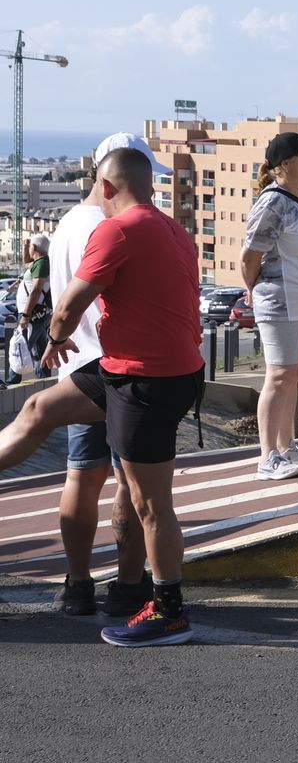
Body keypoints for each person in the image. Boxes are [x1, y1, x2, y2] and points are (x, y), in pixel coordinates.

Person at [0, 147, 205, 646]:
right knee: (38, 409)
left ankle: (169, 610)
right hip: (130, 369)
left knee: (150, 501)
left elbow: (69, 304)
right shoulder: (176, 232)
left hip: (147, 381)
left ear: (106, 187)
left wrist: (54, 339)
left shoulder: (117, 230)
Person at [46, 134, 157, 618]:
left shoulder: (67, 222)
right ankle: (129, 585)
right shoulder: (114, 226)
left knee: (80, 476)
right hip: (118, 368)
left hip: (73, 368)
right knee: (129, 481)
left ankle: (77, 584)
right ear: (115, 179)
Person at [242, 133, 298, 481]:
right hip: (281, 297)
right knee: (279, 375)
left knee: (294, 374)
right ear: (284, 165)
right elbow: (249, 257)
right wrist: (253, 290)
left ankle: (286, 446)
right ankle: (268, 456)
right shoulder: (272, 203)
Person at [18, 234, 52, 376]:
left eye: (30, 246)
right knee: (40, 350)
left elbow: (36, 290)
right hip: (36, 313)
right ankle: (43, 380)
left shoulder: (42, 263)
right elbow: (26, 264)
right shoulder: (39, 262)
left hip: (33, 313)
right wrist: (25, 247)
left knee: (20, 349)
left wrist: (25, 315)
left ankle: (11, 380)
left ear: (35, 247)